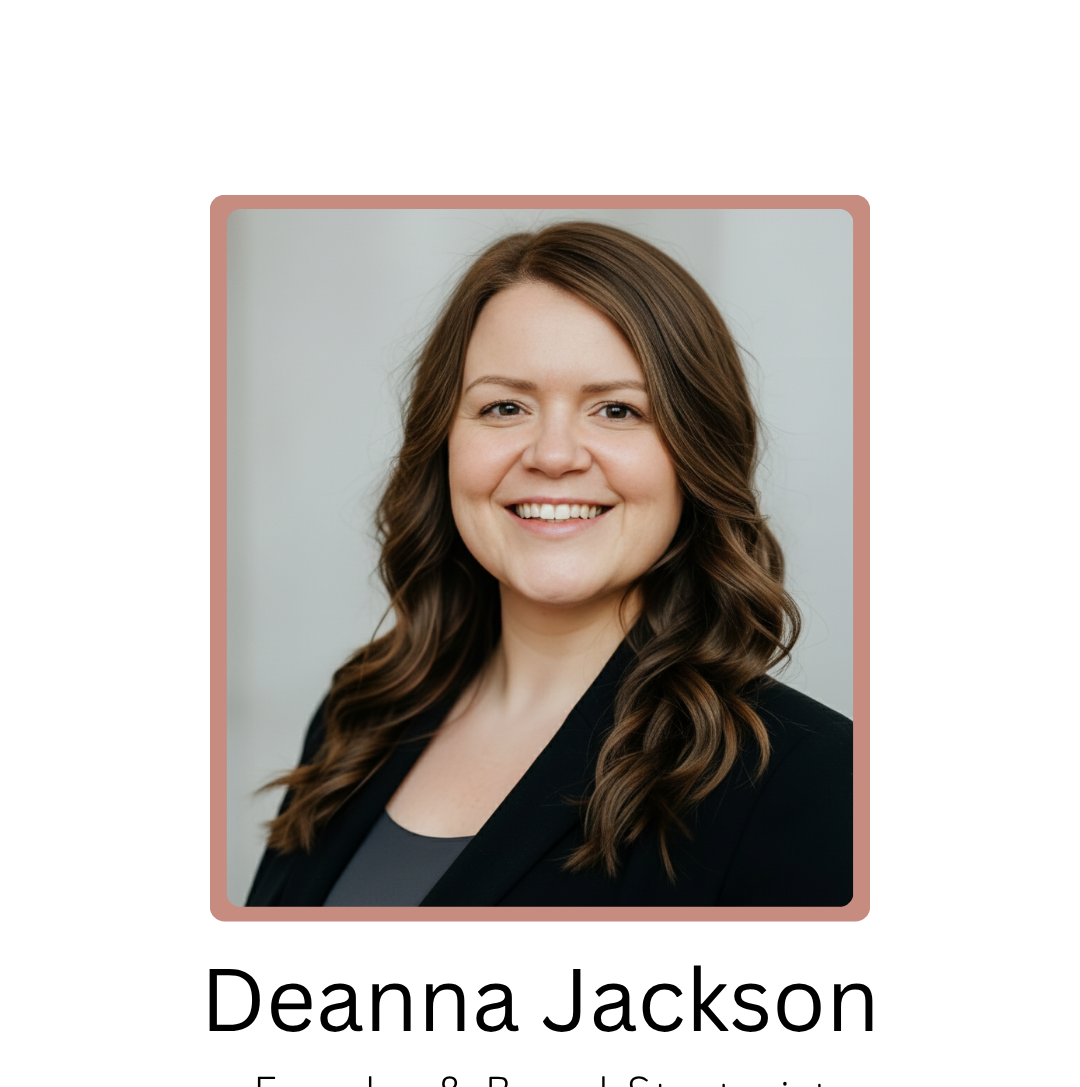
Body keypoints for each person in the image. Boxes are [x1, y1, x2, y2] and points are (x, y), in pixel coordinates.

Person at [245, 221, 851, 907]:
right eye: (505, 406)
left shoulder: (812, 777)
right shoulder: (359, 715)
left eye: (617, 410)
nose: (554, 454)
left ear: (696, 453)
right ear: (443, 442)